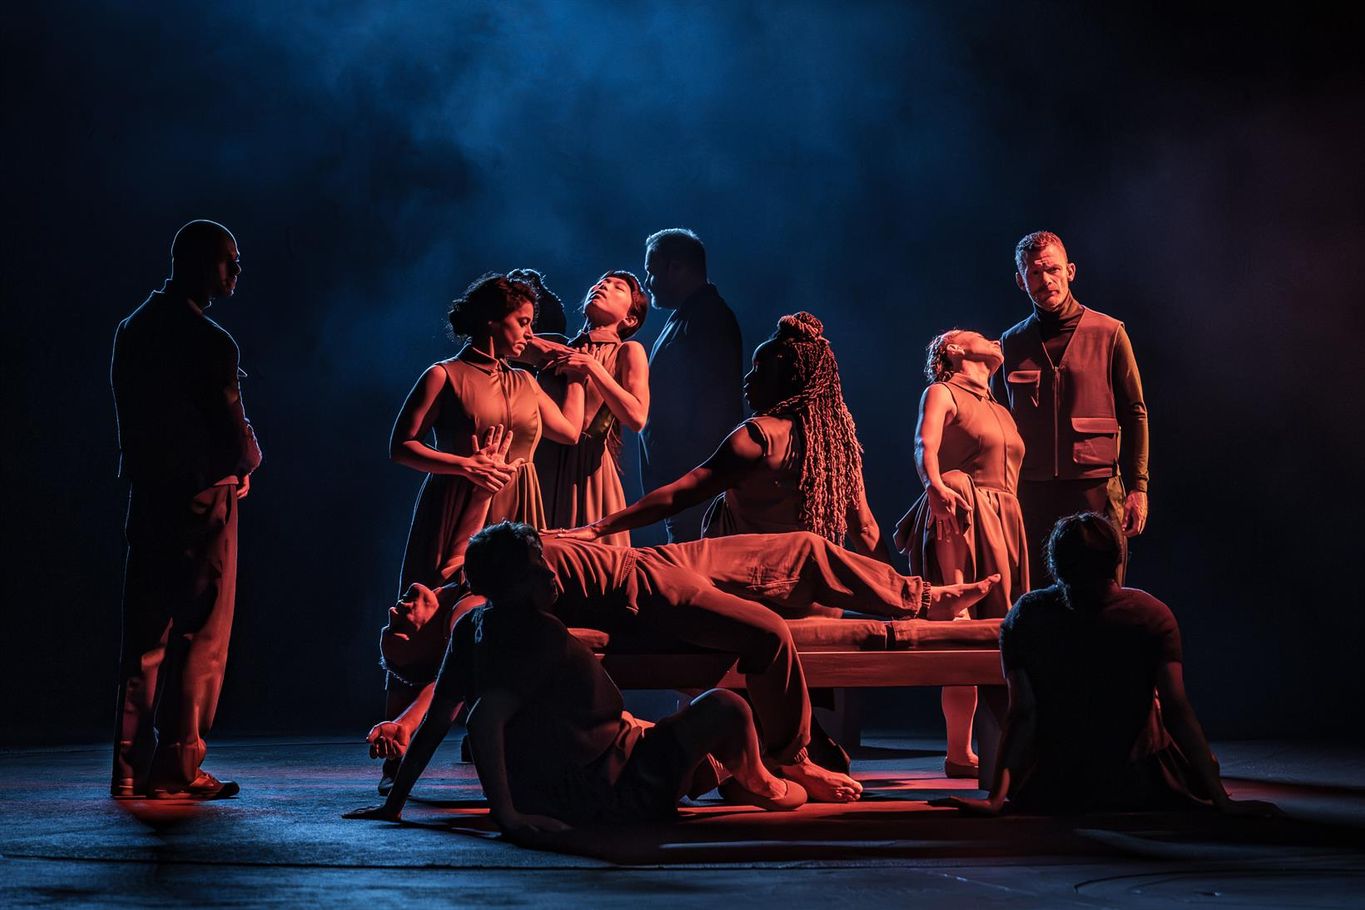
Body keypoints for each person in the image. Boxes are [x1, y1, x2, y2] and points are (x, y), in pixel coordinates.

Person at [371, 527, 1000, 803]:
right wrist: (404, 728)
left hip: (657, 558)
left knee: (802, 549)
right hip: (644, 588)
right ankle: (792, 758)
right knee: (769, 633)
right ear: (428, 646)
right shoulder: (472, 607)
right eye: (399, 633)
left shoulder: (460, 575)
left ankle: (920, 597)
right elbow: (452, 686)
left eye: (392, 614)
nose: (397, 610)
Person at [343, 523, 807, 839]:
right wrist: (507, 816)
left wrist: (394, 804)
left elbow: (436, 723)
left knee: (672, 734)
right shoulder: (531, 631)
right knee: (726, 705)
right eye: (537, 565)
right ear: (514, 582)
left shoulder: (469, 626)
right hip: (615, 784)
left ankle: (726, 769)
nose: (551, 572)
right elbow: (483, 718)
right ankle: (762, 779)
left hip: (602, 767)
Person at [384, 272, 587, 787]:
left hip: (519, 509)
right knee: (430, 617)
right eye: (522, 322)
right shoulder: (444, 375)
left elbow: (569, 431)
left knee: (506, 623)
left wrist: (577, 373)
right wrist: (464, 465)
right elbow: (401, 446)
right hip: (455, 504)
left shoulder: (526, 382)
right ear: (492, 321)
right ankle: (395, 751)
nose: (528, 333)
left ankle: (498, 745)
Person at [943, 513, 1278, 817]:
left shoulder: (1027, 616)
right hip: (1139, 782)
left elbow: (1022, 713)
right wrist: (1219, 797)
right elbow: (1176, 709)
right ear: (1117, 559)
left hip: (1059, 786)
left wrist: (997, 799)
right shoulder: (1151, 614)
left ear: (1055, 564)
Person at [109, 220, 261, 799]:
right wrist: (245, 464)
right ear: (197, 262)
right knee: (200, 633)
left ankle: (129, 768)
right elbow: (230, 425)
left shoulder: (133, 328)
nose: (236, 271)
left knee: (144, 633)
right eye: (229, 259)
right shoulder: (210, 341)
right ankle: (177, 767)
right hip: (202, 496)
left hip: (149, 494)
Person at [560, 313, 886, 560]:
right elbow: (865, 529)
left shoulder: (757, 437)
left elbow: (678, 496)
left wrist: (597, 528)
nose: (747, 378)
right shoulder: (837, 447)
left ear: (788, 376)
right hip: (814, 594)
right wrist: (895, 591)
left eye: (759, 368)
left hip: (756, 587)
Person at [895, 329, 1030, 779]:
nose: (994, 339)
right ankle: (959, 749)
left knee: (1003, 631)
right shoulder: (942, 392)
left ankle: (1005, 745)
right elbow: (924, 444)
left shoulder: (999, 409)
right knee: (963, 625)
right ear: (952, 349)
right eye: (979, 335)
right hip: (960, 510)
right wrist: (934, 485)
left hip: (1003, 518)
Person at [997, 231, 1149, 583]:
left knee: (1103, 588)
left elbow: (1135, 412)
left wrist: (1138, 488)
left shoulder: (1109, 333)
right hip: (1032, 490)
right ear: (1021, 281)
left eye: (1052, 269)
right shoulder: (1012, 343)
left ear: (1070, 271)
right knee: (1039, 590)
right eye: (1035, 273)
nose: (1045, 280)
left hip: (1095, 485)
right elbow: (999, 423)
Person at [639, 228, 743, 542]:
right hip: (685, 485)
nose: (648, 282)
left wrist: (694, 481)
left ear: (676, 267)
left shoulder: (708, 317)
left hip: (694, 487)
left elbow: (715, 405)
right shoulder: (689, 315)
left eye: (651, 271)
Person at [533, 272, 651, 546]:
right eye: (600, 283)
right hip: (542, 462)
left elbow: (637, 417)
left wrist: (593, 368)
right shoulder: (558, 346)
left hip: (587, 468)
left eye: (617, 287)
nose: (603, 286)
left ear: (630, 319)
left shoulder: (628, 351)